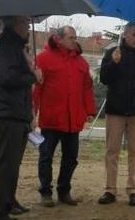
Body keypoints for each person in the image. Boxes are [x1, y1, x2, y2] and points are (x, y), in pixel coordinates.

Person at [0, 16, 42, 220]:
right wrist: (32, 76)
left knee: (2, 167)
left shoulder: (10, 45)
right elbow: (8, 78)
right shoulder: (7, 45)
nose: (28, 28)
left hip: (8, 112)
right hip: (7, 113)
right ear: (15, 25)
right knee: (4, 167)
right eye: (25, 24)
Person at [32, 26, 96, 207]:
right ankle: (45, 191)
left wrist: (89, 110)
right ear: (58, 39)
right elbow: (38, 88)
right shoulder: (43, 59)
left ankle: (64, 189)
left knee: (71, 158)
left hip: (72, 119)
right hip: (52, 119)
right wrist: (33, 111)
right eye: (70, 37)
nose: (74, 41)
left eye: (75, 37)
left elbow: (86, 89)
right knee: (46, 156)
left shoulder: (82, 63)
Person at [97, 23, 135, 207]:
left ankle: (133, 190)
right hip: (116, 110)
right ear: (125, 35)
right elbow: (104, 79)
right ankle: (110, 189)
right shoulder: (113, 53)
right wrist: (113, 64)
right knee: (112, 151)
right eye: (134, 34)